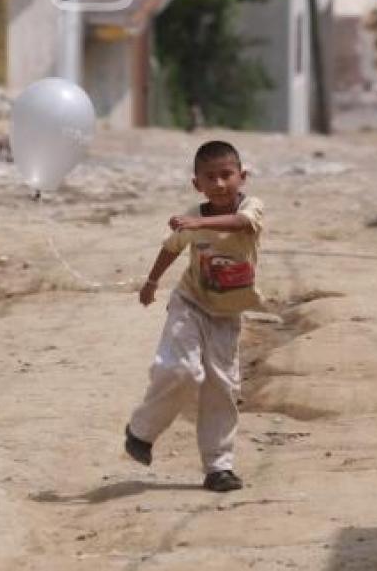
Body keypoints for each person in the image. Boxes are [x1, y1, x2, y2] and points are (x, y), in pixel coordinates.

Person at [125, 139, 264, 493]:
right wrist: (151, 281)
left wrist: (194, 223)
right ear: (197, 184)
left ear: (242, 177)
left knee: (222, 387)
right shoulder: (193, 216)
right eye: (210, 178)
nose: (219, 184)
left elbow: (240, 224)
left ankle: (219, 467)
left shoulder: (250, 208)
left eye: (226, 175)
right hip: (190, 302)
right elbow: (171, 247)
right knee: (179, 370)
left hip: (227, 314)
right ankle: (141, 432)